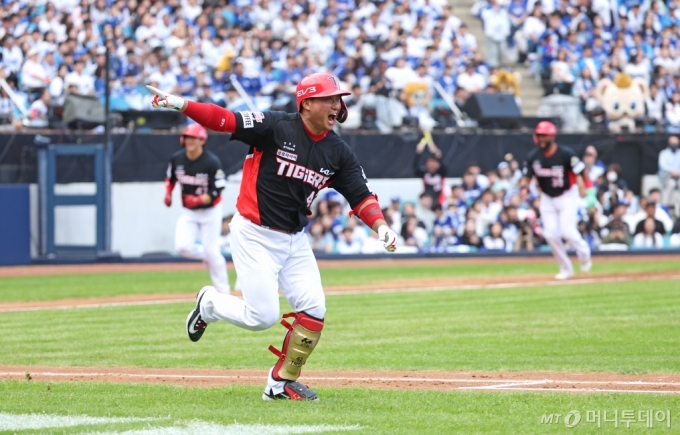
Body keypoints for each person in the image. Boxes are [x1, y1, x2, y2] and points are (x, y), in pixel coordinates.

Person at [147, 72, 398, 401]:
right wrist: (182, 105)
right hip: (254, 233)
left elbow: (362, 196)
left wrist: (381, 226)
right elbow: (225, 119)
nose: (338, 105)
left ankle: (279, 384)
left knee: (314, 313)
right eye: (330, 98)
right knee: (261, 317)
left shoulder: (339, 152)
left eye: (339, 99)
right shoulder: (276, 126)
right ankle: (209, 303)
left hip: (294, 239)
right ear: (307, 103)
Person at [165, 124, 231, 294]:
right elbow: (170, 178)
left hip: (210, 211)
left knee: (212, 250)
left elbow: (218, 190)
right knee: (182, 247)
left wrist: (199, 199)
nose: (190, 141)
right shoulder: (177, 158)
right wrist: (168, 193)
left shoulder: (211, 162)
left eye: (194, 138)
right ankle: (206, 255)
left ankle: (223, 292)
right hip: (188, 211)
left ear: (202, 140)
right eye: (187, 137)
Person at [521, 121, 592, 279]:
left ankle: (584, 253)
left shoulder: (565, 153)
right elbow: (526, 177)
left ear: (552, 136)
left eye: (544, 135)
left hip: (567, 195)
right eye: (539, 135)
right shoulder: (534, 156)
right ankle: (566, 268)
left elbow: (582, 171)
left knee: (568, 232)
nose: (541, 139)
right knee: (551, 235)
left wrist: (588, 189)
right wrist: (523, 189)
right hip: (547, 197)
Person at [659, 135, 680, 208]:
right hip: (667, 177)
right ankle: (664, 206)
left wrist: (677, 173)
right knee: (671, 183)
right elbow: (663, 166)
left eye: (676, 143)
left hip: (678, 177)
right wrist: (672, 171)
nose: (674, 145)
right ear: (669, 143)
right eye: (672, 143)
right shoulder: (664, 153)